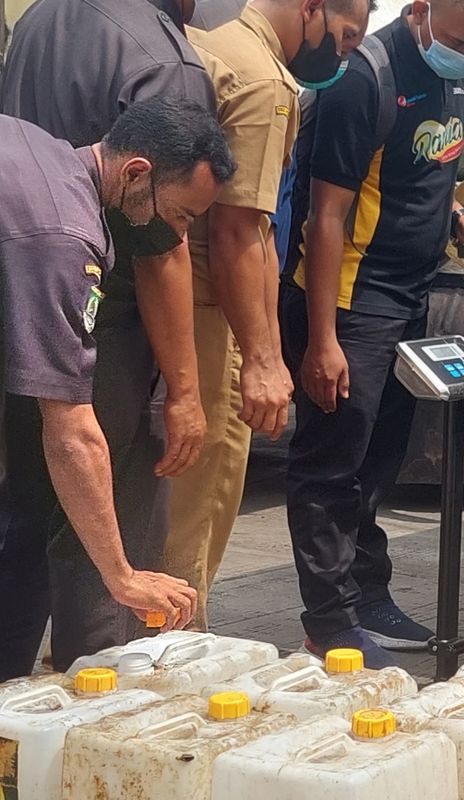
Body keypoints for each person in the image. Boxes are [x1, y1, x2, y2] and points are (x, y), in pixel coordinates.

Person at [280, 0, 464, 666]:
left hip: (409, 295)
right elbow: (326, 216)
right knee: (331, 464)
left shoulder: (453, 67)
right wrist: (322, 338)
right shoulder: (363, 78)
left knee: (381, 461)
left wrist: (459, 216)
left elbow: (419, 162)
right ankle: (327, 622)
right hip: (352, 300)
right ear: (419, 11)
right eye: (460, 40)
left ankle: (366, 596)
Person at [0, 0, 220, 667]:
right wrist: (123, 575)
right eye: (179, 217)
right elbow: (70, 431)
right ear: (136, 173)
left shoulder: (38, 148)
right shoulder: (65, 237)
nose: (178, 237)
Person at [166, 0, 373, 630]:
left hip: (173, 305)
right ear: (311, 9)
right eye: (342, 39)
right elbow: (238, 231)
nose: (341, 57)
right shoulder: (264, 81)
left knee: (160, 496)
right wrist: (261, 358)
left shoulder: (207, 45)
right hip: (209, 313)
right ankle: (170, 652)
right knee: (197, 506)